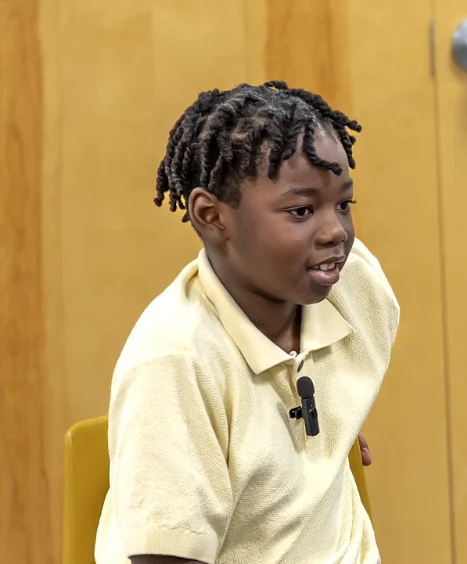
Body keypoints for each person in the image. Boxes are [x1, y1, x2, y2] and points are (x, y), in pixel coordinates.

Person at [95, 81, 393, 564]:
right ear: (212, 215)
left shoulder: (353, 288)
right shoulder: (175, 362)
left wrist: (328, 421)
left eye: (343, 204)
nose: (337, 231)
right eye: (301, 210)